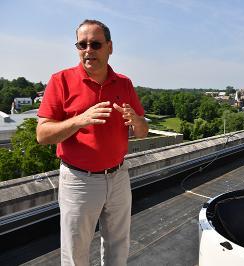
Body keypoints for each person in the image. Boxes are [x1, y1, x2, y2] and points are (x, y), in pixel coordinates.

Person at [36, 19, 148, 266]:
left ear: (110, 47)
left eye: (95, 44)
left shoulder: (124, 83)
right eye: (82, 44)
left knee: (119, 245)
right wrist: (79, 120)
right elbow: (42, 135)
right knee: (76, 253)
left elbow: (142, 132)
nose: (88, 50)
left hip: (119, 176)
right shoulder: (60, 81)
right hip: (79, 181)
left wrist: (137, 120)